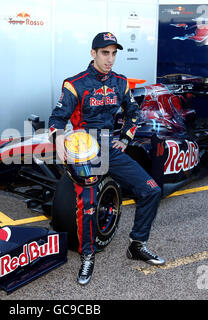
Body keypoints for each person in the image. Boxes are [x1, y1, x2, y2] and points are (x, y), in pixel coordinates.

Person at [48, 32, 165, 286]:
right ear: (93, 54)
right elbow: (56, 119)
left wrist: (125, 138)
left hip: (109, 147)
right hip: (83, 148)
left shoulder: (121, 82)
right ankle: (88, 255)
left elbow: (134, 113)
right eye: (105, 53)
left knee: (151, 190)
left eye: (113, 53)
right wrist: (57, 138)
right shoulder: (74, 83)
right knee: (88, 206)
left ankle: (137, 245)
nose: (110, 59)